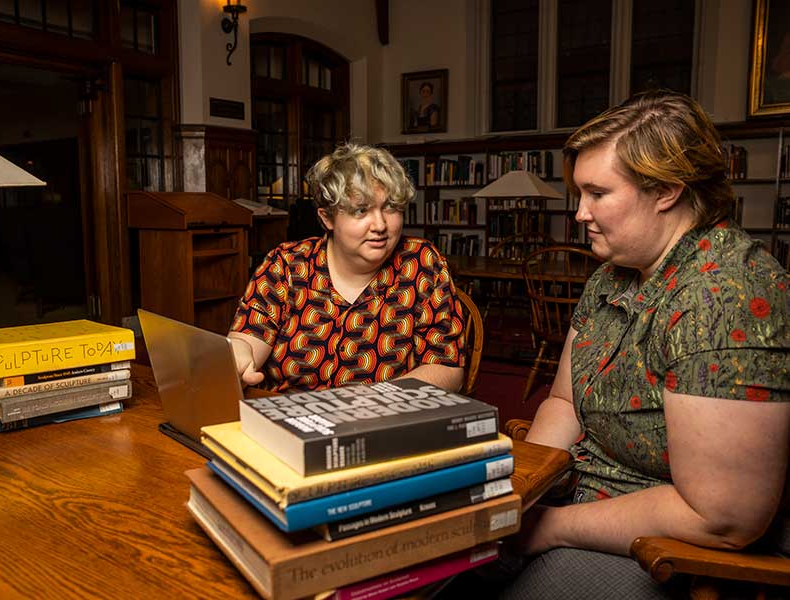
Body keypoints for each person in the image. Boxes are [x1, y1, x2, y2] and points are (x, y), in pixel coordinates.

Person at [493, 90, 789, 599]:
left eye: (597, 194)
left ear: (667, 191)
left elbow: (722, 519)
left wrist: (546, 529)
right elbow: (564, 400)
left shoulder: (725, 297)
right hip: (572, 496)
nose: (579, 213)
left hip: (663, 544)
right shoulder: (611, 275)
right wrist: (522, 491)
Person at [228, 143, 466, 393]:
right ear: (327, 218)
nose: (380, 225)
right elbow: (248, 338)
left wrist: (373, 401)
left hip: (381, 421)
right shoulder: (286, 265)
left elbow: (447, 368)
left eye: (390, 207)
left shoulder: (421, 263)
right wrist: (239, 353)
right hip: (286, 421)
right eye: (361, 210)